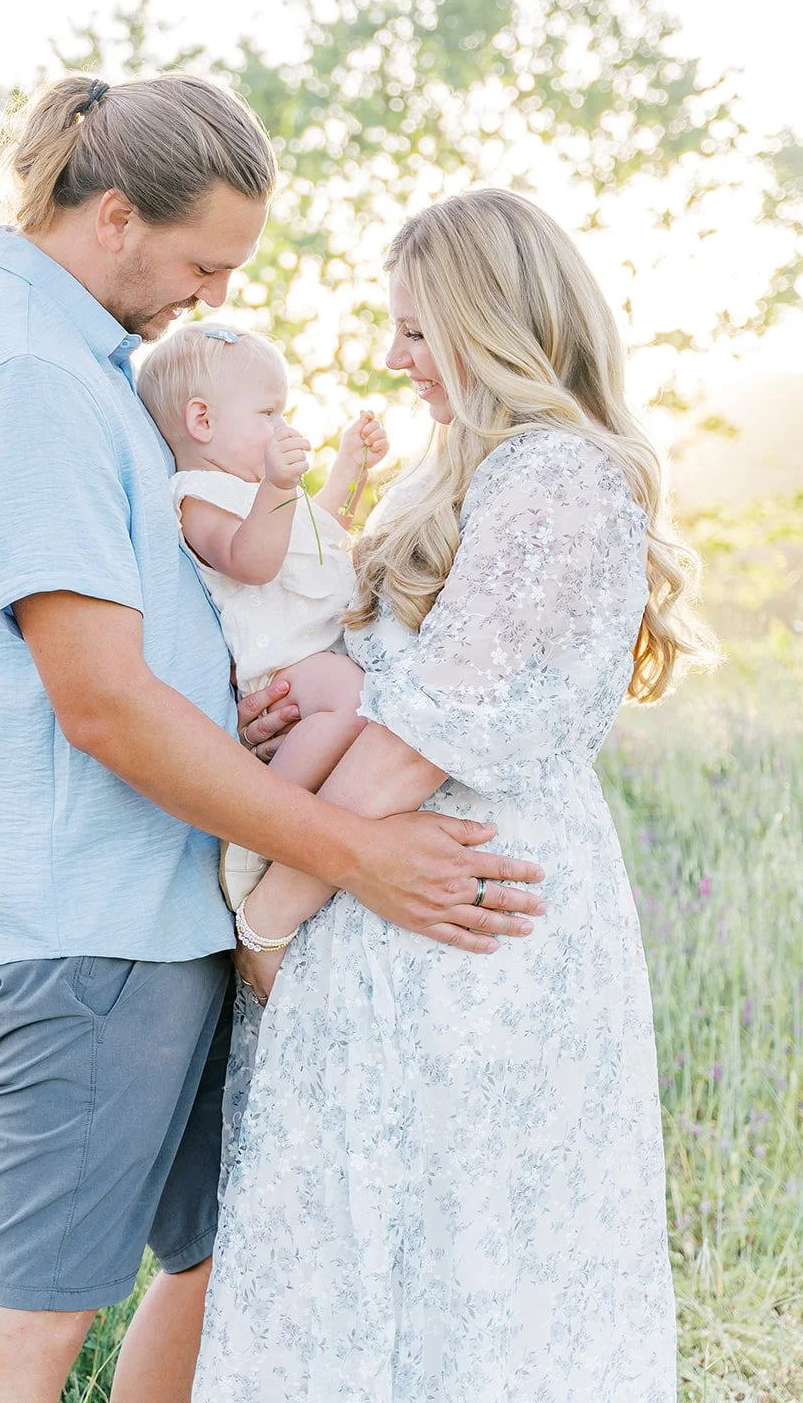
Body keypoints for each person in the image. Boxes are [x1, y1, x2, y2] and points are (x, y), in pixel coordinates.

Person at [0, 74, 546, 1403]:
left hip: (163, 906)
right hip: (87, 924)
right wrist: (352, 851)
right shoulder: (29, 375)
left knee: (220, 1266)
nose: (206, 296)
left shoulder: (81, 366)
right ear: (117, 215)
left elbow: (177, 623)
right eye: (201, 262)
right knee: (36, 1317)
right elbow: (100, 703)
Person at [194, 189, 716, 1402]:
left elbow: (424, 737)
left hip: (470, 914)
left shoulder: (557, 475)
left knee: (476, 1260)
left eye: (418, 331)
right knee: (387, 1253)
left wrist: (273, 909)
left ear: (498, 323)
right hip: (392, 898)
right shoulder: (470, 473)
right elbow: (374, 687)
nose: (393, 359)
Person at [137, 317, 388, 908]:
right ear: (203, 421)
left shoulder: (261, 494)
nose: (284, 427)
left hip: (317, 656)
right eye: (268, 414)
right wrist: (277, 488)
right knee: (354, 701)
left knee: (360, 710)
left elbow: (322, 538)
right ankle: (260, 824)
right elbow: (253, 561)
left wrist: (351, 466)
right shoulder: (198, 496)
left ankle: (301, 831)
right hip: (281, 666)